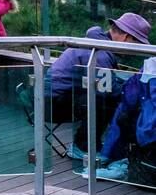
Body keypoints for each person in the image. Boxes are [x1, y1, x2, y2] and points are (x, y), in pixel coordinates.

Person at [50, 12, 150, 157]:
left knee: (103, 99)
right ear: (126, 37)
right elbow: (107, 89)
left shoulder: (98, 44)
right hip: (51, 104)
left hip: (52, 96)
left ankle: (101, 145)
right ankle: (82, 147)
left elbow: (106, 82)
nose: (136, 51)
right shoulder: (101, 54)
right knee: (104, 101)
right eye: (137, 44)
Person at [97, 50, 156, 183]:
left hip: (146, 133)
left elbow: (128, 101)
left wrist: (107, 153)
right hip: (147, 130)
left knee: (123, 116)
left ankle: (125, 160)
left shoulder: (148, 68)